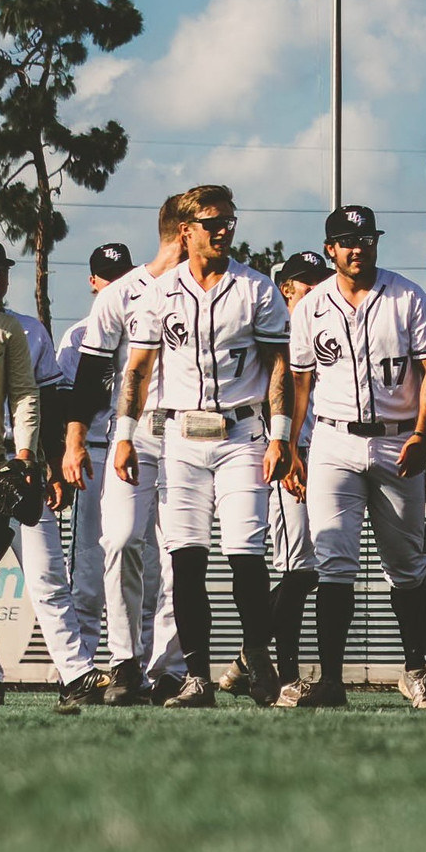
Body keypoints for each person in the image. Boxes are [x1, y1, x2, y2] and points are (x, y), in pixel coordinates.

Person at [114, 185, 295, 708]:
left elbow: (279, 366)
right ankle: (196, 676)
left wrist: (280, 436)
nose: (222, 230)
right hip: (180, 436)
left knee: (245, 554)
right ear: (186, 230)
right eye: (211, 222)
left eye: (228, 221)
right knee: (186, 559)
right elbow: (140, 369)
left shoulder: (256, 288)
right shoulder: (159, 291)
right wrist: (125, 436)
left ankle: (257, 657)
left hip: (241, 432)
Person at [279, 206, 426, 709]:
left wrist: (424, 434)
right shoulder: (313, 306)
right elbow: (300, 382)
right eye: (348, 240)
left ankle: (414, 670)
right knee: (334, 562)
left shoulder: (407, 296)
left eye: (367, 238)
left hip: (398, 439)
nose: (359, 248)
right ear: (331, 249)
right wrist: (288, 443)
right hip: (333, 440)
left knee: (407, 563)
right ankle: (331, 680)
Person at [0, 238, 102, 703]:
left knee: (46, 576)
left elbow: (47, 402)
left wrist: (51, 468)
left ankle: (75, 675)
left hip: (18, 469)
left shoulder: (28, 330)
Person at [63, 199, 188, 706]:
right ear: (184, 232)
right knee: (118, 543)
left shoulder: (212, 289)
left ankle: (170, 667)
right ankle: (123, 661)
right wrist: (74, 439)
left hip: (190, 433)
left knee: (180, 555)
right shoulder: (121, 293)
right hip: (129, 434)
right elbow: (91, 377)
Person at [219, 249, 332, 703]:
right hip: (285, 456)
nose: (315, 288)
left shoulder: (323, 323)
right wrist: (286, 454)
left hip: (323, 453)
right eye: (306, 283)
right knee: (297, 568)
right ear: (286, 289)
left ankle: (250, 655)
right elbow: (269, 398)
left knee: (310, 569)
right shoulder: (272, 329)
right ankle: (283, 673)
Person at [53, 241, 136, 694]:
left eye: (122, 274)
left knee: (141, 561)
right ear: (92, 282)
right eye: (107, 276)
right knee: (87, 567)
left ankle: (141, 666)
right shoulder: (78, 336)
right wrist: (70, 449)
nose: (115, 284)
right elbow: (68, 400)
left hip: (136, 452)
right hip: (95, 451)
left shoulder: (147, 327)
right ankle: (82, 667)